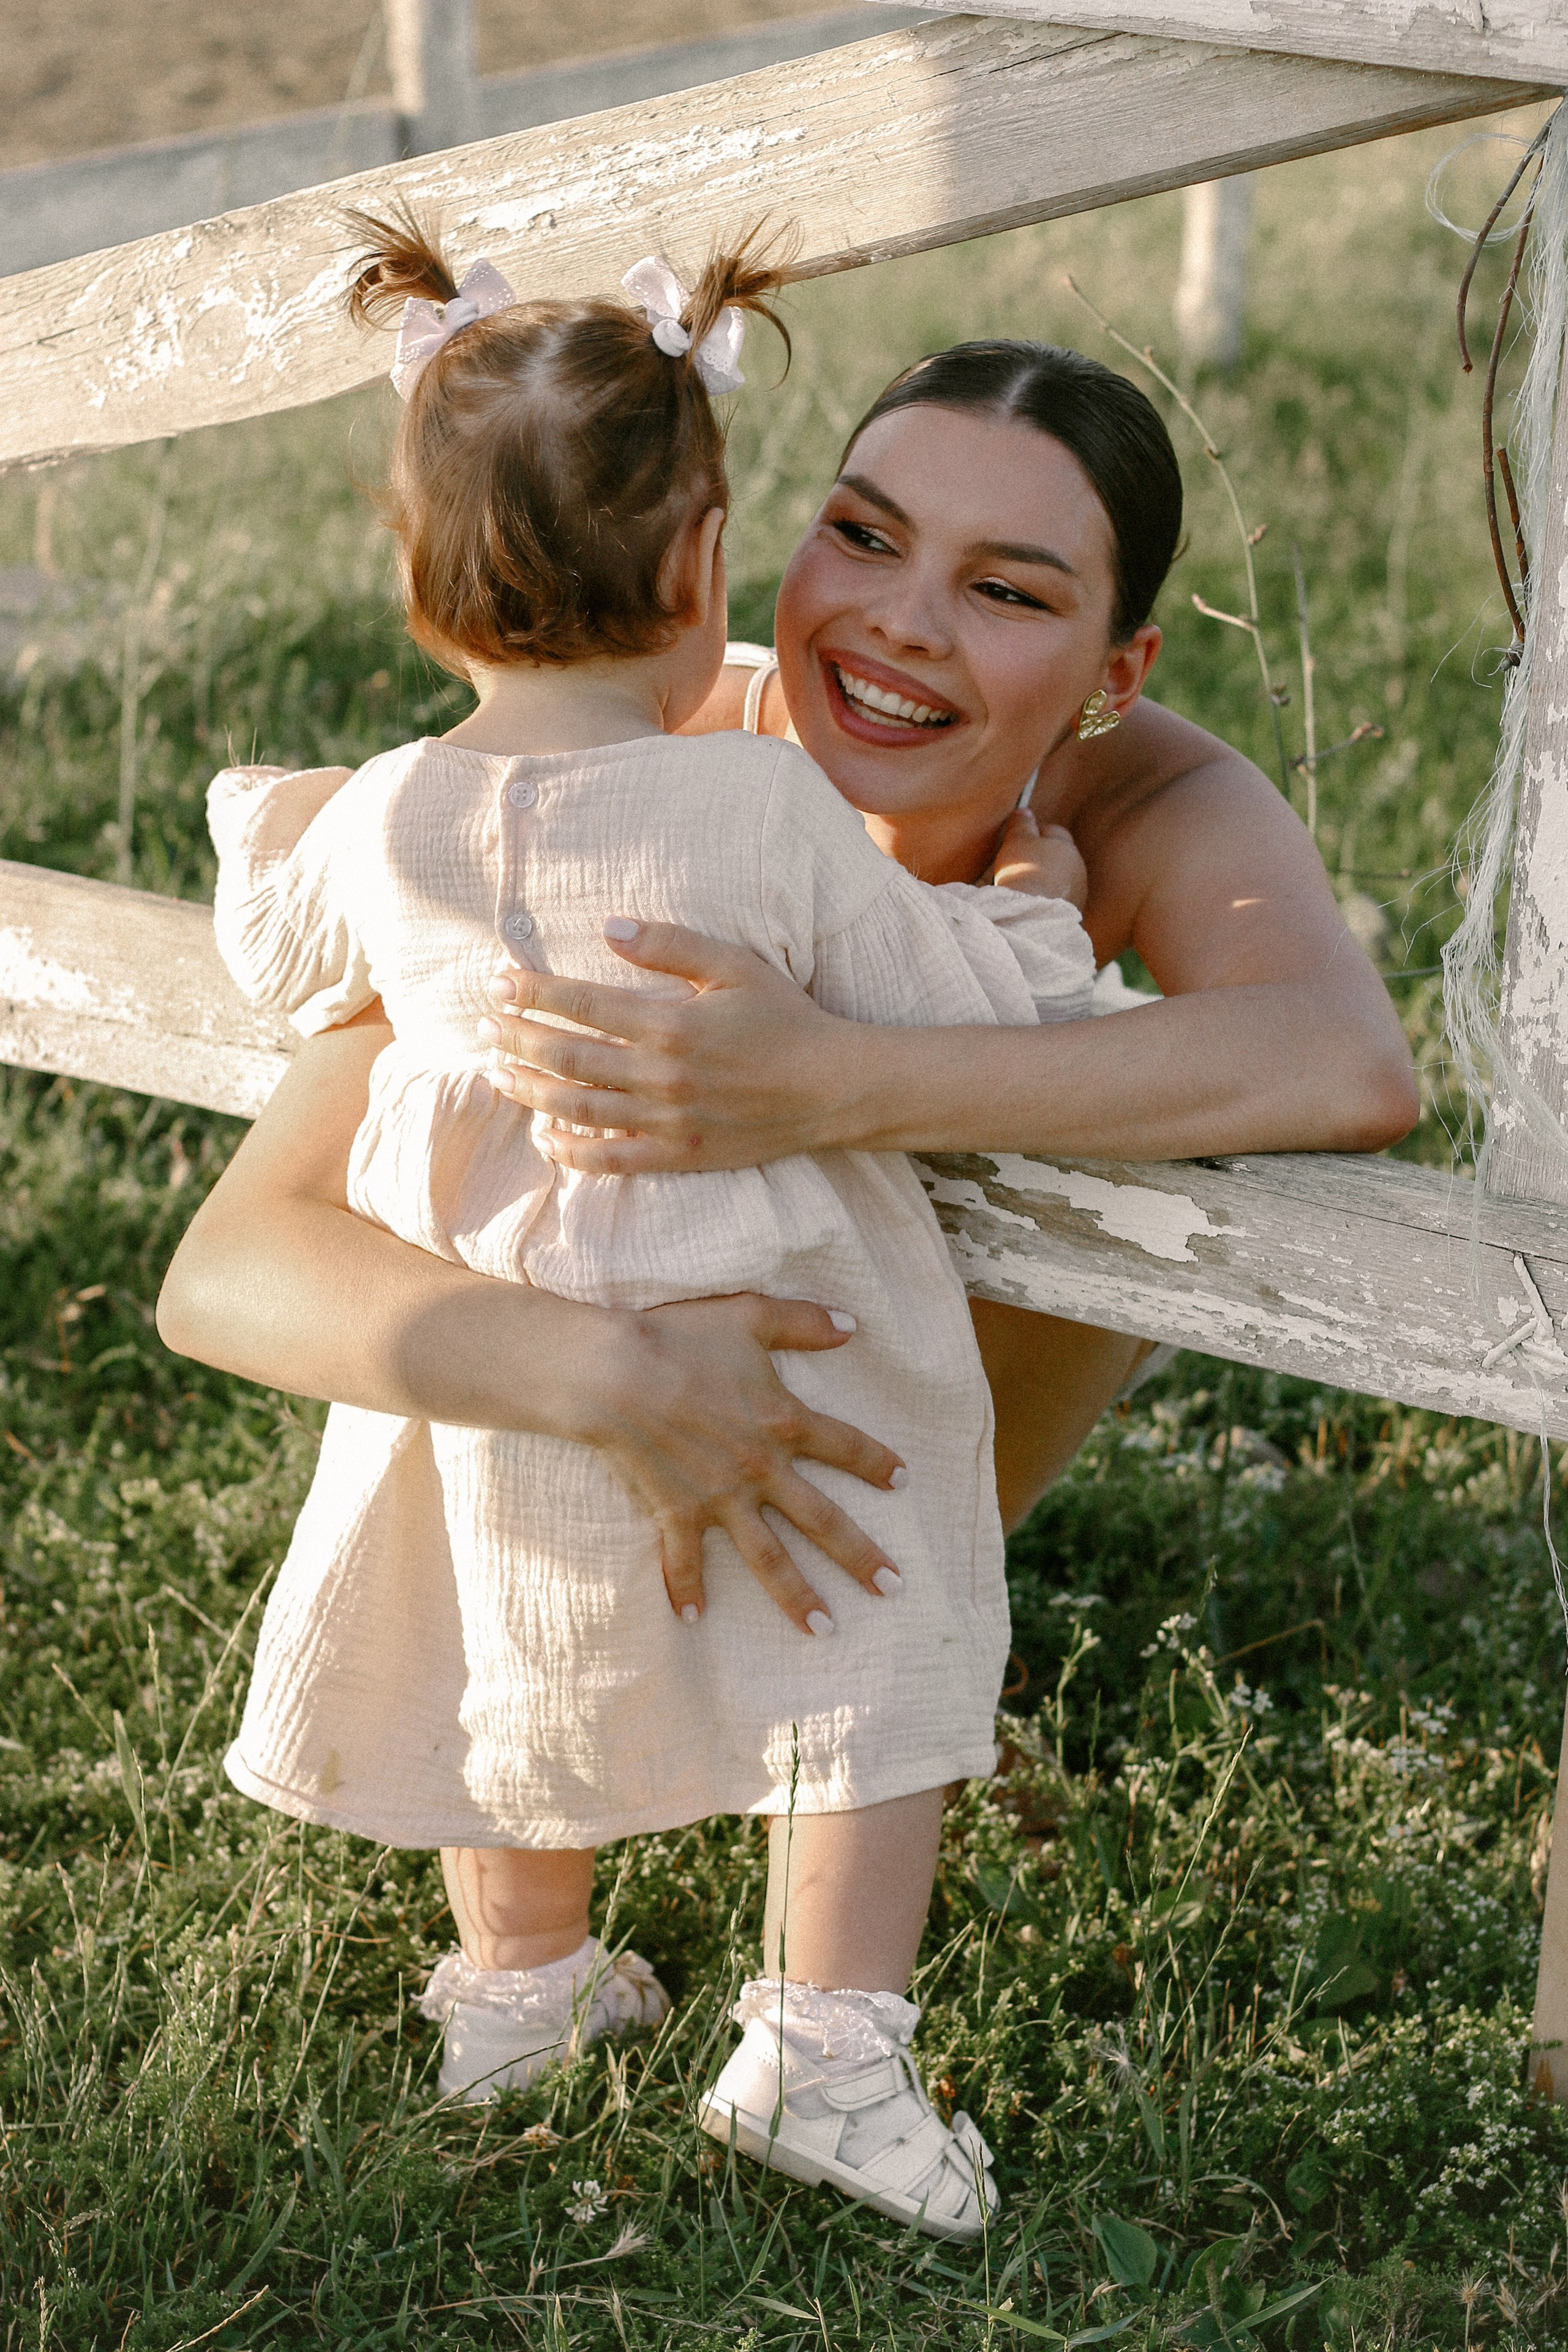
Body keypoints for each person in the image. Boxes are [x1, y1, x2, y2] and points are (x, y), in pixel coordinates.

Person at [159, 275, 1418, 2230]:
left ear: (1117, 666)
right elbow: (234, 1260)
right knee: (576, 1590)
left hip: (867, 1439)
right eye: (864, 534)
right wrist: (622, 1375)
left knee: (688, 1591)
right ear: (741, 547)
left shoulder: (1134, 789)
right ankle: (697, 2003)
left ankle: (605, 1959)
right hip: (589, 1415)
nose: (903, 622)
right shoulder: (684, 771)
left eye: (1009, 589)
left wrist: (823, 1075)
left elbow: (1343, 1063)